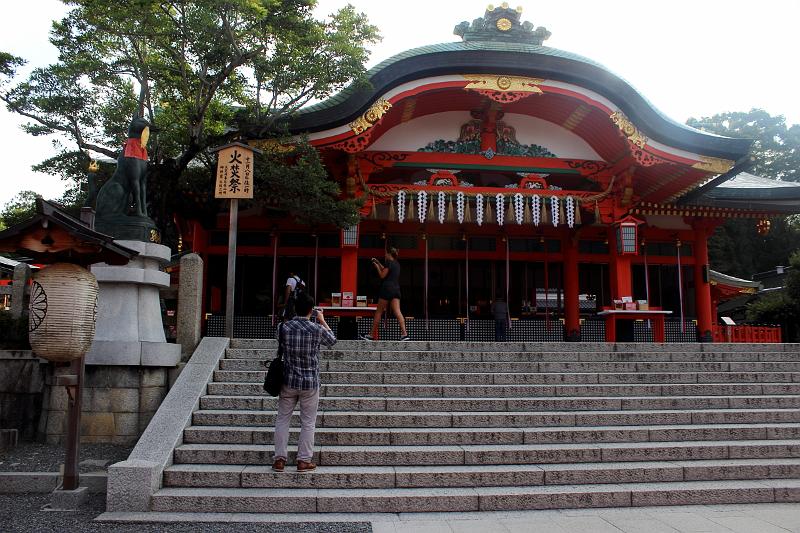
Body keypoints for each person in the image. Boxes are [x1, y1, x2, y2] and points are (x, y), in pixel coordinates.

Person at [272, 291, 335, 473]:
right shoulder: (316, 329)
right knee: (308, 422)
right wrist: (321, 319)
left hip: (288, 380)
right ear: (311, 310)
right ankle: (303, 460)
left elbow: (280, 343)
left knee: (283, 419)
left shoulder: (283, 328)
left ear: (294, 308)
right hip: (310, 382)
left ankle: (279, 460)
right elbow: (332, 341)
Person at [361, 247, 410, 341]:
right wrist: (379, 263)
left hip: (387, 288)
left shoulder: (388, 262)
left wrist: (376, 267)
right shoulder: (397, 264)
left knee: (379, 311)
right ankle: (404, 334)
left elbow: (382, 275)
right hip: (396, 289)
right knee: (398, 311)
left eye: (386, 254)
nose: (385, 255)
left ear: (389, 254)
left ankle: (371, 335)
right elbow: (387, 271)